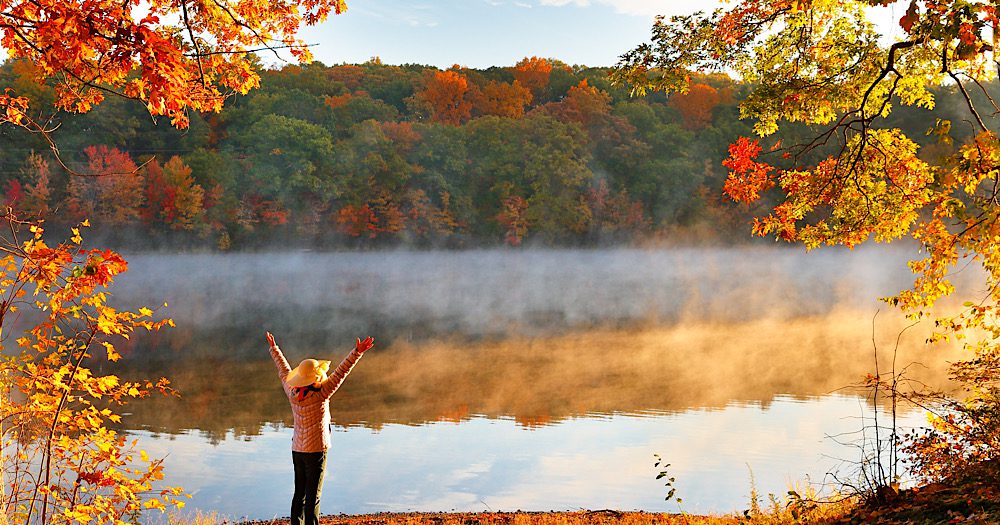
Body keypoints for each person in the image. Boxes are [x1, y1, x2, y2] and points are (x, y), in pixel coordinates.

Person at [266, 331, 375, 525]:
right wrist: (357, 352)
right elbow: (341, 372)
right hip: (316, 450)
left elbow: (283, 371)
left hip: (297, 449)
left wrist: (275, 349)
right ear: (316, 376)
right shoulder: (322, 393)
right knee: (313, 495)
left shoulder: (291, 392)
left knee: (299, 493)